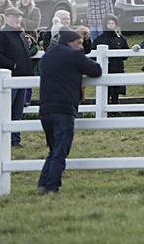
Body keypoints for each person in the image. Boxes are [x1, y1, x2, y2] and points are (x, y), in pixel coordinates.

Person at [36, 29, 102, 194]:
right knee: (60, 150)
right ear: (69, 42)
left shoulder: (46, 57)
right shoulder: (73, 55)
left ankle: (42, 185)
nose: (81, 47)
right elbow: (96, 70)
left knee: (54, 149)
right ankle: (52, 187)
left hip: (45, 109)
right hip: (64, 108)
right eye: (79, 43)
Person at [0, 7, 35, 147]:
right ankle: (5, 140)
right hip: (10, 79)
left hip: (22, 79)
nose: (17, 19)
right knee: (6, 110)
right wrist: (13, 66)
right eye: (14, 16)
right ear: (7, 18)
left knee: (17, 112)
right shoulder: (2, 35)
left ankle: (15, 141)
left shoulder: (20, 34)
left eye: (19, 17)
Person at [92, 14, 129, 106]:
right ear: (105, 24)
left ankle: (115, 110)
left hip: (118, 68)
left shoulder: (121, 39)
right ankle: (105, 109)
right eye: (109, 23)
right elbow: (93, 55)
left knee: (116, 90)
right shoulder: (99, 39)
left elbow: (126, 53)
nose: (111, 25)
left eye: (113, 23)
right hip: (105, 69)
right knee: (106, 90)